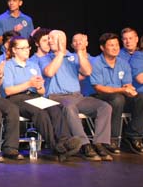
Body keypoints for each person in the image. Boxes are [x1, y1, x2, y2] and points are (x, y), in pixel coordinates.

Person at [2, 37, 83, 160]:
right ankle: (56, 147)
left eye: (27, 47)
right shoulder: (9, 65)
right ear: (14, 50)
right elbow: (8, 91)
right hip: (17, 98)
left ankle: (65, 142)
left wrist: (39, 87)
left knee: (55, 107)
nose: (26, 50)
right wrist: (29, 84)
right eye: (22, 48)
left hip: (34, 96)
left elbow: (42, 91)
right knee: (39, 112)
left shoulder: (33, 65)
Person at [39, 30, 114, 161]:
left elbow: (87, 71)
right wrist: (60, 54)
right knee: (69, 107)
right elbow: (50, 72)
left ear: (61, 40)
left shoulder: (73, 57)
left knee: (105, 107)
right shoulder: (45, 58)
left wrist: (79, 52)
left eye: (51, 38)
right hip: (56, 97)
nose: (49, 40)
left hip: (77, 96)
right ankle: (85, 144)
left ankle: (99, 143)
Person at [90, 33, 143, 155]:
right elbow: (98, 88)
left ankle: (133, 135)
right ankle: (112, 139)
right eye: (111, 45)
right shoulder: (96, 62)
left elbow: (126, 83)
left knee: (142, 99)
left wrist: (130, 89)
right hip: (99, 96)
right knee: (117, 99)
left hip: (119, 95)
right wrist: (122, 90)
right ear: (102, 48)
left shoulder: (123, 63)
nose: (115, 48)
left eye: (117, 45)